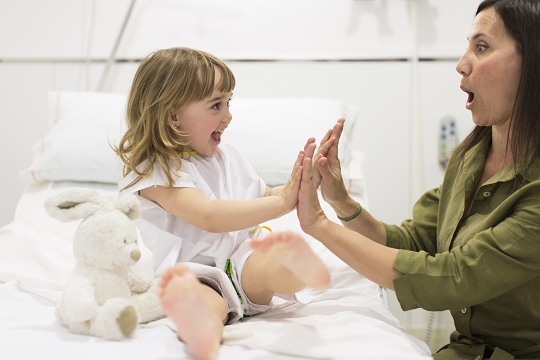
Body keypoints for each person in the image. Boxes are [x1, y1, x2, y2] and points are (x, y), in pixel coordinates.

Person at [255, 0, 540, 359]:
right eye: (468, 46)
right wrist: (341, 201)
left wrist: (318, 224)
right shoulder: (470, 159)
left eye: (481, 47)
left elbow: (453, 277)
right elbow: (413, 242)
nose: (461, 64)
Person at [115, 47, 330, 360]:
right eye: (216, 105)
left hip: (239, 263)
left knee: (262, 266)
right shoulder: (154, 169)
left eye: (228, 102)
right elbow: (208, 216)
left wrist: (300, 185)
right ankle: (202, 331)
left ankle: (292, 264)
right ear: (173, 115)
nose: (228, 116)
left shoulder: (229, 158)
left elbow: (264, 197)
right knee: (204, 301)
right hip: (191, 273)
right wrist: (283, 201)